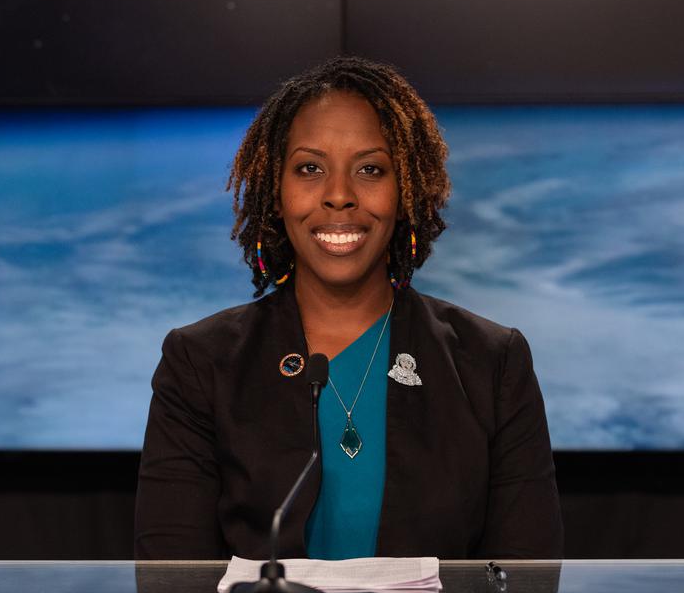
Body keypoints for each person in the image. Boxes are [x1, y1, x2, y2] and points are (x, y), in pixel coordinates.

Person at [134, 57, 562, 561]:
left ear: (406, 191)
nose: (339, 196)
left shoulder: (492, 363)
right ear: (277, 192)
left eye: (370, 170)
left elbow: (525, 588)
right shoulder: (200, 363)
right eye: (310, 169)